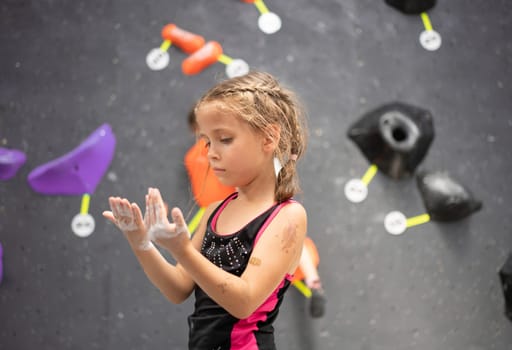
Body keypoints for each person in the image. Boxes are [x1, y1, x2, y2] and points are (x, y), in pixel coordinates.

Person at [103, 71, 309, 349]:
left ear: (269, 137)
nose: (210, 153)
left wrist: (182, 250)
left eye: (224, 139)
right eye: (206, 142)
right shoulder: (215, 212)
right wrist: (140, 242)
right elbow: (178, 288)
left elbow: (244, 302)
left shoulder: (287, 216)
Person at [185, 103, 326, 318]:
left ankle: (306, 281)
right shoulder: (221, 153)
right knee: (289, 241)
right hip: (236, 212)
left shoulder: (196, 157)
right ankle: (312, 281)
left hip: (228, 217)